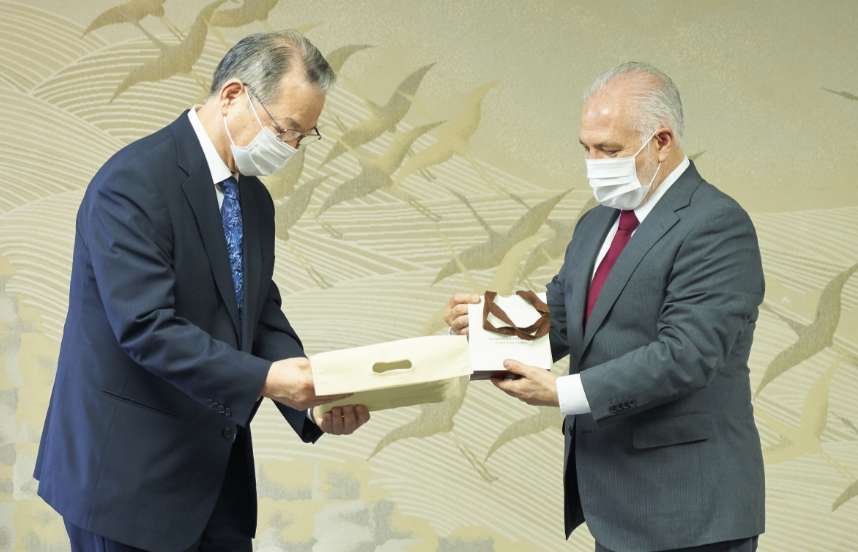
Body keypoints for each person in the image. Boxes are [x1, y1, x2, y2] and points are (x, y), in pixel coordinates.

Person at [34, 31, 370, 552]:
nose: (292, 148)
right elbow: (146, 329)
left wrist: (315, 398)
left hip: (214, 484)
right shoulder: (134, 182)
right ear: (233, 95)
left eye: (305, 136)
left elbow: (257, 314)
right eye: (286, 129)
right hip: (126, 484)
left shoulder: (253, 200)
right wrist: (270, 380)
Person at [444, 62, 765, 552]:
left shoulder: (717, 224)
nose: (594, 162)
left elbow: (687, 354)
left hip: (690, 512)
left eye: (609, 150)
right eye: (587, 148)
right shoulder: (597, 224)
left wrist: (563, 392)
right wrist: (488, 327)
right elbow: (567, 316)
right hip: (615, 505)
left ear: (662, 141)